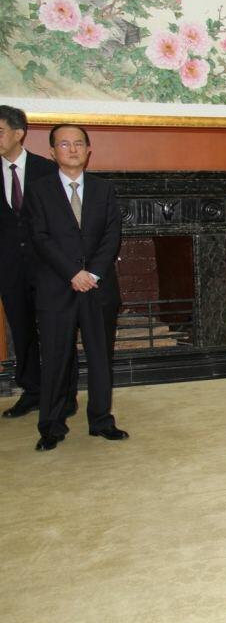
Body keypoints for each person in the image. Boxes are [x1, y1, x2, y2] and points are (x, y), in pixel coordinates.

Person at [27, 124, 127, 451]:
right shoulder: (39, 191)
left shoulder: (103, 190)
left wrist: (93, 273)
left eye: (79, 143)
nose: (72, 149)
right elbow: (39, 237)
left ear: (88, 150)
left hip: (98, 288)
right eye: (64, 144)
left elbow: (112, 235)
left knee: (101, 357)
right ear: (52, 152)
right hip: (57, 287)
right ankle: (51, 426)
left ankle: (101, 421)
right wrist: (72, 272)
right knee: (56, 359)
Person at [0, 105, 57, 418]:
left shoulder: (47, 170)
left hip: (47, 266)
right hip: (9, 267)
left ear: (19, 133)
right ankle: (32, 391)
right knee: (21, 330)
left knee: (55, 330)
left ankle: (61, 393)